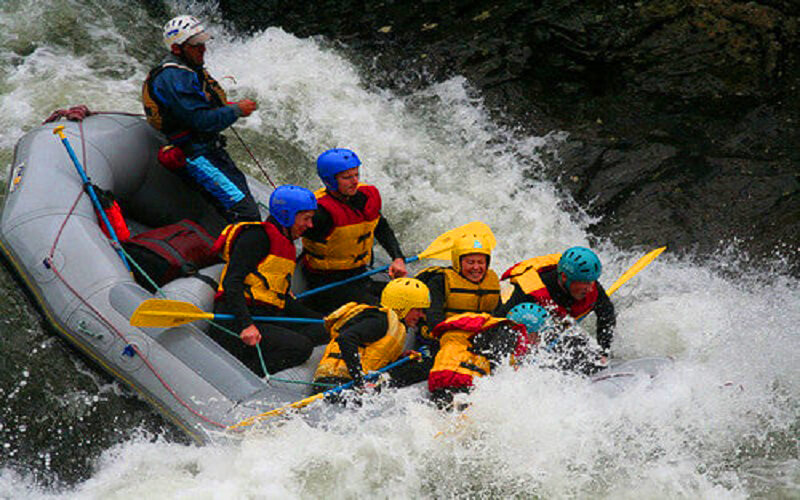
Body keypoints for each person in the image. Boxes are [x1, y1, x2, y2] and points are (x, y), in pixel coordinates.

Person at [142, 15, 260, 223]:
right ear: (178, 48)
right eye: (196, 45)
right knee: (244, 211)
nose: (202, 49)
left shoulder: (190, 70)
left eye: (203, 43)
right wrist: (237, 111)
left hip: (208, 149)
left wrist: (229, 108)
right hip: (195, 155)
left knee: (239, 198)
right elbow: (201, 120)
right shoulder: (174, 77)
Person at [211, 185, 326, 375]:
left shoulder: (285, 244)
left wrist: (323, 319)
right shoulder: (256, 237)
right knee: (301, 347)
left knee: (324, 329)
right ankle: (249, 375)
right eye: (306, 219)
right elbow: (233, 281)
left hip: (266, 317)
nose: (310, 225)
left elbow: (282, 299)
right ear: (287, 215)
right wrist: (246, 324)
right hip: (235, 321)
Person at [300, 148, 407, 313]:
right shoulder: (318, 212)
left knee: (408, 297)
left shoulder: (366, 196)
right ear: (330, 180)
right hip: (327, 284)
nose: (355, 181)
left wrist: (398, 258)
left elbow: (381, 227)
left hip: (359, 276)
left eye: (356, 175)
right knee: (385, 310)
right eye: (347, 178)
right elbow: (283, 237)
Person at [312, 278, 430, 392]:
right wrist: (359, 380)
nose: (421, 315)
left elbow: (371, 355)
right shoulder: (379, 321)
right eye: (418, 310)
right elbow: (346, 338)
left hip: (345, 380)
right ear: (403, 306)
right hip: (335, 382)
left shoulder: (391, 323)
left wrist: (400, 358)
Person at [495, 246, 616, 357]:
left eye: (592, 282)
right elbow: (498, 323)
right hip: (529, 320)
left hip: (559, 322)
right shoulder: (530, 289)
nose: (590, 289)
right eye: (584, 283)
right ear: (564, 277)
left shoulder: (591, 285)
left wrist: (604, 351)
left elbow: (607, 315)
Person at [426, 310, 531, 409]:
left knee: (442, 417)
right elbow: (497, 362)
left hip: (438, 374)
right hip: (464, 377)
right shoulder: (508, 331)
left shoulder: (472, 325)